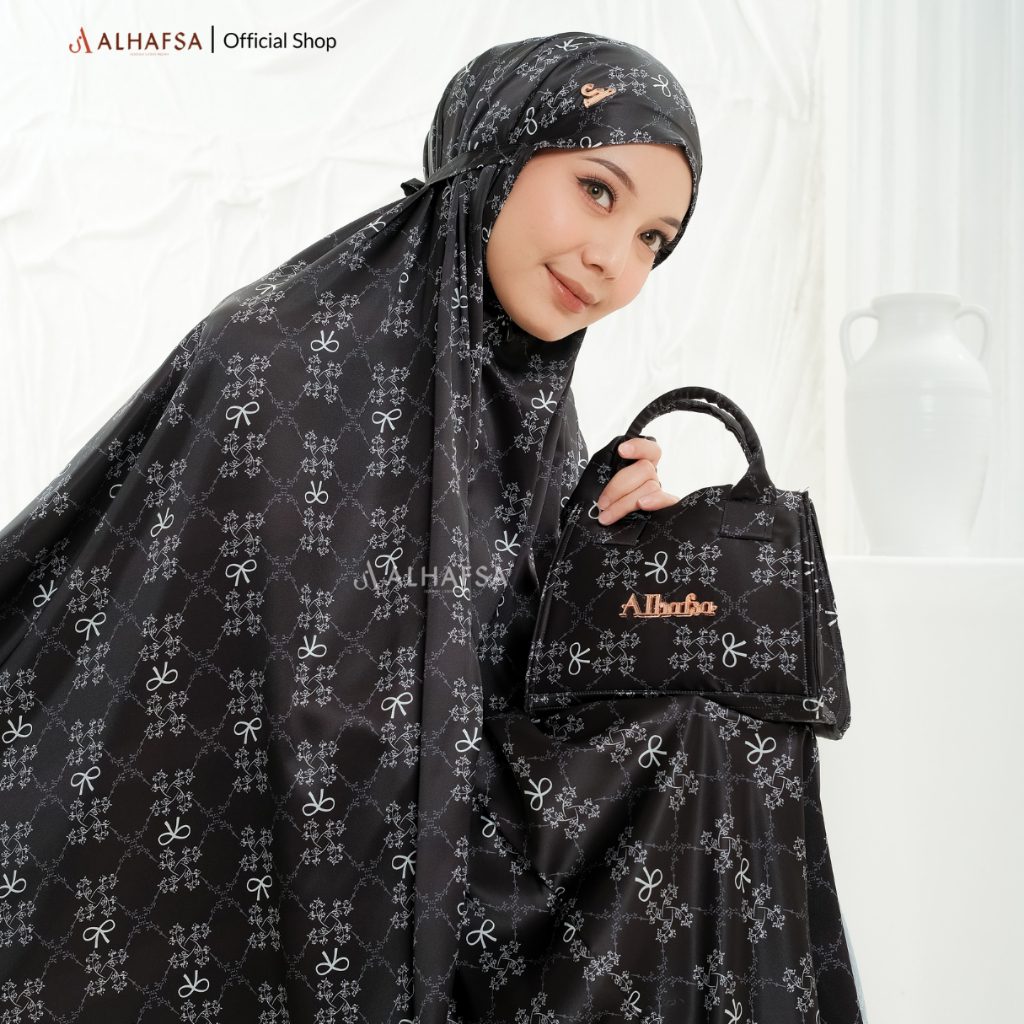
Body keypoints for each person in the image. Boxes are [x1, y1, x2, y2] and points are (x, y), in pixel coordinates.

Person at [0, 32, 862, 1023]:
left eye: (653, 243)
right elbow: (223, 683)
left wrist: (612, 561)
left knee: (722, 734)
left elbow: (515, 684)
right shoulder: (273, 357)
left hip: (449, 844)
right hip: (265, 865)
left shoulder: (531, 408)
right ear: (497, 150)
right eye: (597, 191)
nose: (612, 262)